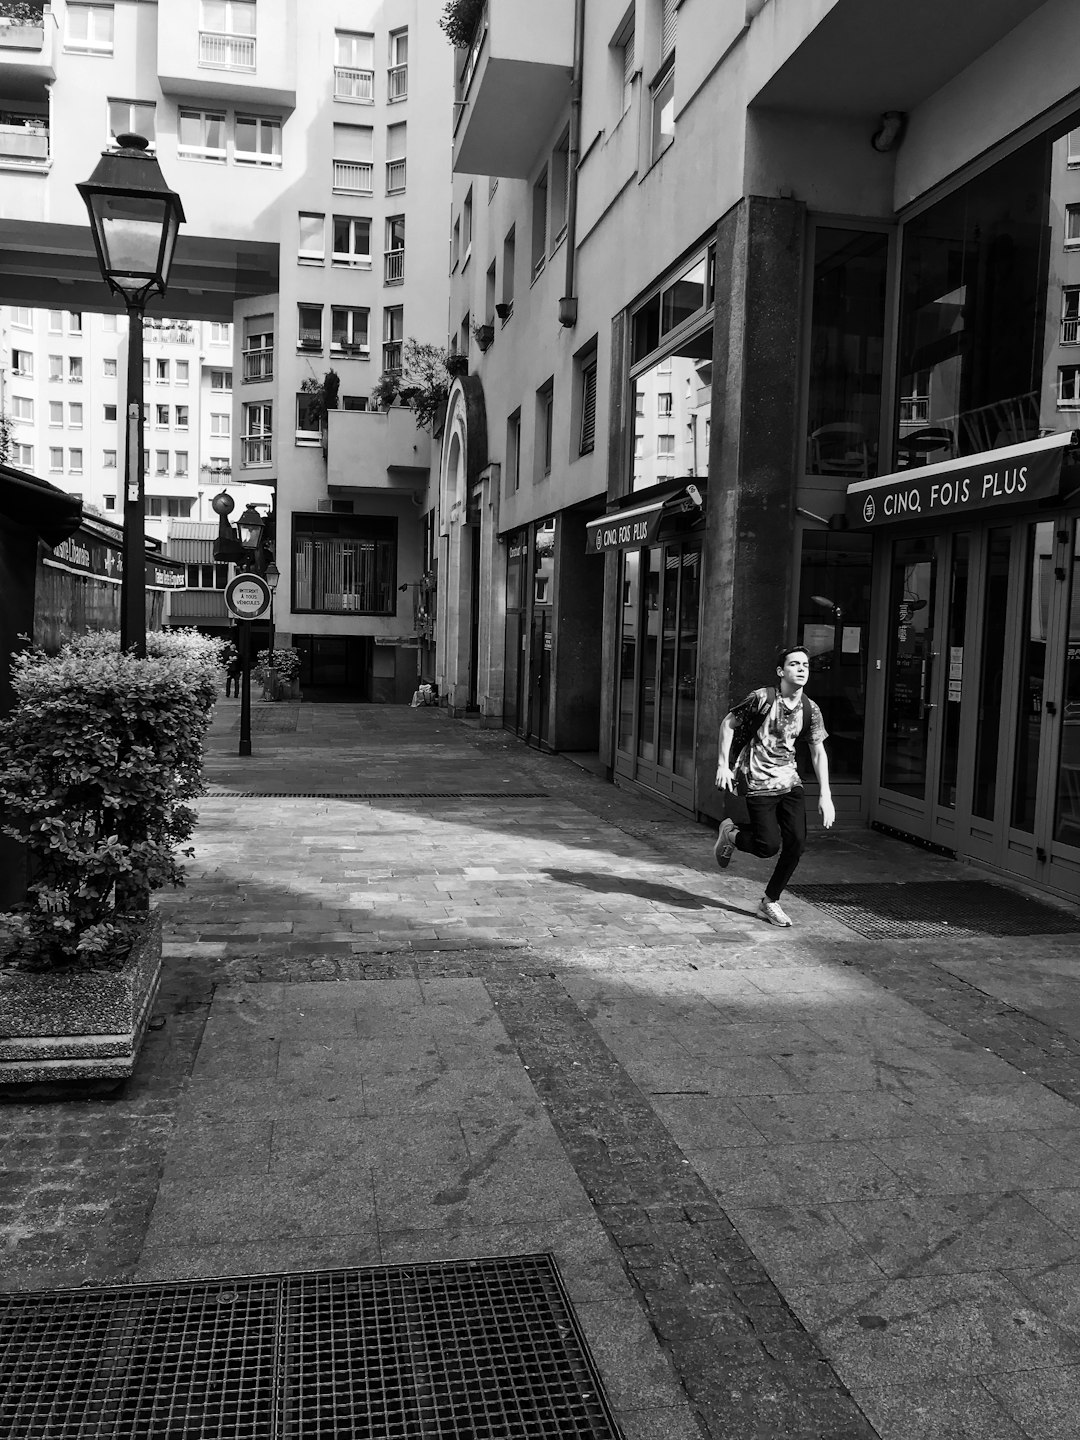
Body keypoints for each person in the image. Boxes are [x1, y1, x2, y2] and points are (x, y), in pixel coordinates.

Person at [713, 644, 834, 927]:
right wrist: (722, 765)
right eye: (794, 664)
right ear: (781, 671)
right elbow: (728, 724)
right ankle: (731, 833)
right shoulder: (762, 698)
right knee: (767, 846)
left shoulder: (810, 709)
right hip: (758, 781)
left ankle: (769, 901)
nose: (802, 668)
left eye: (805, 664)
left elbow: (818, 751)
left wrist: (826, 795)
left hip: (790, 782)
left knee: (797, 844)